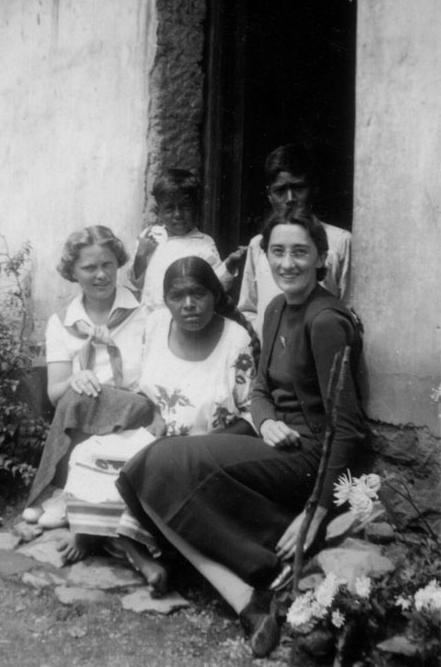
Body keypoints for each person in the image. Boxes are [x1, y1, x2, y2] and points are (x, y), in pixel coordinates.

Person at [116, 210, 365, 657]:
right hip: (274, 442)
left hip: (311, 459)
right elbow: (261, 390)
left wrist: (318, 508)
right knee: (149, 468)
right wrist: (266, 419)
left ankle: (265, 563)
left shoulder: (326, 320)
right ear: (264, 256)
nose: (288, 263)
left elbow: (346, 428)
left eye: (300, 253)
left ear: (321, 257)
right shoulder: (275, 308)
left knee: (164, 461)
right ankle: (247, 601)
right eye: (278, 252)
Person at [63, 255, 259, 588]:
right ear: (166, 300)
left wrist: (201, 447)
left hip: (205, 453)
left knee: (149, 480)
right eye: (177, 296)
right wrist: (153, 413)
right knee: (88, 453)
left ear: (215, 295)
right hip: (152, 439)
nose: (189, 305)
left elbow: (251, 413)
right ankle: (99, 532)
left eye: (199, 294)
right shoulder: (155, 325)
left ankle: (119, 543)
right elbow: (142, 388)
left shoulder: (235, 340)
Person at [23, 226, 153, 561]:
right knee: (76, 395)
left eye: (107, 264)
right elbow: (55, 394)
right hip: (85, 420)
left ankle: (55, 493)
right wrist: (76, 378)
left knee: (82, 399)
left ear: (118, 264)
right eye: (89, 268)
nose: (100, 275)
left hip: (136, 416)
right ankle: (69, 495)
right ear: (73, 273)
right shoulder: (62, 322)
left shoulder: (145, 313)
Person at [238, 143, 352, 341]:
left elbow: (350, 310)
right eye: (280, 191)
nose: (290, 199)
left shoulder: (340, 242)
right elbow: (249, 309)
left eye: (298, 188)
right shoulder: (258, 244)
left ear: (313, 188)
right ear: (269, 195)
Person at [128, 168, 246, 311]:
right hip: (150, 316)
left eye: (185, 207)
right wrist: (141, 255)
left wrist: (230, 263)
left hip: (185, 319)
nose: (178, 214)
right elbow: (137, 283)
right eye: (170, 208)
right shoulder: (150, 236)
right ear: (158, 211)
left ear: (196, 208)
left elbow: (217, 286)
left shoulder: (203, 243)